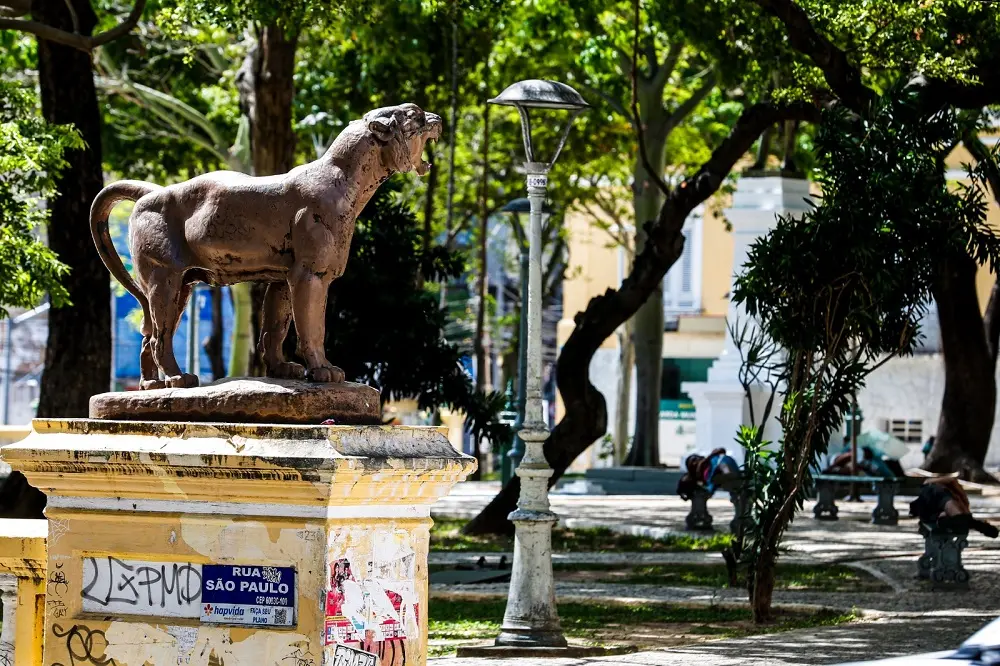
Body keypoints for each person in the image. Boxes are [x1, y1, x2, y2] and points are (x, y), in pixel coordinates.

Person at [909, 476, 999, 538]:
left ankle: (962, 520)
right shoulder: (935, 489)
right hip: (937, 506)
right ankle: (964, 521)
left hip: (936, 508)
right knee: (949, 506)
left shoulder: (933, 489)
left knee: (949, 507)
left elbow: (951, 481)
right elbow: (952, 481)